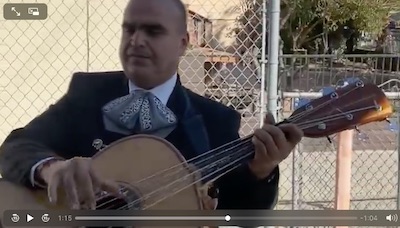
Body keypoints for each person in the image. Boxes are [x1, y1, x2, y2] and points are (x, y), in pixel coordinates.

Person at [0, 0, 303, 211]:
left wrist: (261, 170)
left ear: (184, 43)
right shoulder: (87, 92)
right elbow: (16, 147)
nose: (136, 40)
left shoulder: (215, 120)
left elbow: (244, 211)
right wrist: (52, 170)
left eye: (153, 31)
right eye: (129, 29)